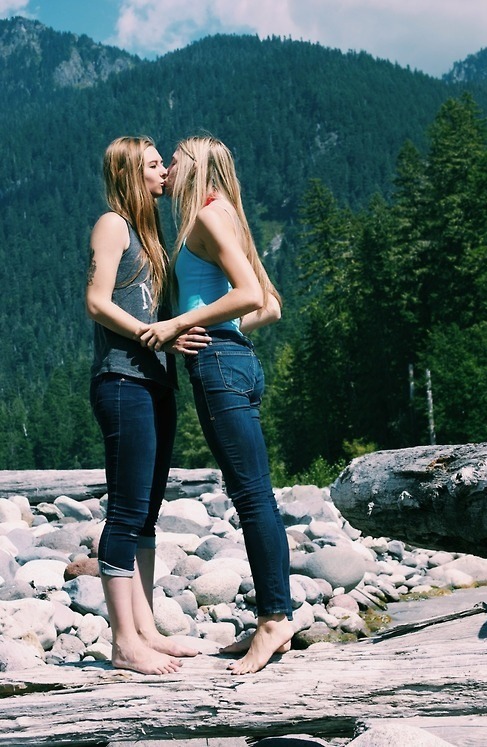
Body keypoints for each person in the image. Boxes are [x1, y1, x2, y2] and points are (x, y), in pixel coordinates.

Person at [140, 135, 294, 674]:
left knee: (252, 497)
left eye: (176, 159)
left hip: (220, 367)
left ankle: (274, 620)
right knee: (255, 494)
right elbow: (270, 306)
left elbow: (252, 295)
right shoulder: (225, 214)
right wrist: (212, 325)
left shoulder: (206, 216)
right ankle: (275, 620)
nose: (170, 167)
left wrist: (181, 323)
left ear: (197, 166)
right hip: (234, 360)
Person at [85, 135, 208, 675]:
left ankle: (147, 628)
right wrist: (156, 335)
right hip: (121, 380)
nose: (165, 173)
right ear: (132, 173)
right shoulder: (114, 224)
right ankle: (122, 642)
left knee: (148, 514)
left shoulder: (152, 232)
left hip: (156, 382)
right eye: (155, 166)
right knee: (127, 509)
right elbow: (96, 301)